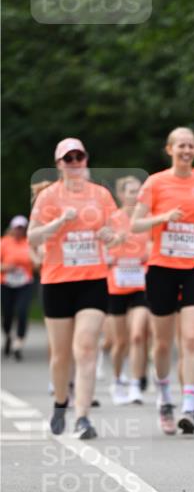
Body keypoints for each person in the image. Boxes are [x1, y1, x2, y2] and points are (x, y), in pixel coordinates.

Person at [28, 138, 116, 438]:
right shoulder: (48, 196)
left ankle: (82, 417)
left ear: (86, 159)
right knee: (61, 355)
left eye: (79, 156)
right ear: (59, 164)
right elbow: (33, 237)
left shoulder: (101, 195)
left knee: (86, 347)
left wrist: (110, 234)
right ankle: (60, 403)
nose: (75, 162)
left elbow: (117, 231)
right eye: (69, 158)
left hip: (92, 280)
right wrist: (58, 223)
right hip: (57, 281)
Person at [131, 127, 194, 435]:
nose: (186, 150)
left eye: (191, 145)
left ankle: (189, 405)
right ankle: (165, 398)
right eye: (181, 145)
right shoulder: (155, 183)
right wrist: (162, 218)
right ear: (170, 149)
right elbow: (135, 224)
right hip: (162, 267)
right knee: (163, 342)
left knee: (191, 338)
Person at [106, 176, 151, 405]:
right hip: (117, 285)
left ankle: (135, 383)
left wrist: (146, 254)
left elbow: (154, 244)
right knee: (120, 342)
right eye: (131, 191)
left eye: (138, 191)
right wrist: (115, 245)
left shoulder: (146, 218)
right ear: (121, 194)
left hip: (140, 284)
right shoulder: (112, 219)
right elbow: (102, 248)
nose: (135, 195)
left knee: (137, 335)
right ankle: (117, 381)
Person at [1, 215, 39, 359]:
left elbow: (37, 265)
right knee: (7, 314)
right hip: (6, 283)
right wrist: (5, 267)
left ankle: (18, 343)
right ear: (12, 228)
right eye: (17, 228)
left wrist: (36, 263)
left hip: (24, 283)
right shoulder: (4, 243)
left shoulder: (29, 244)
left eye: (22, 228)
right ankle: (8, 335)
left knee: (22, 311)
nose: (19, 231)